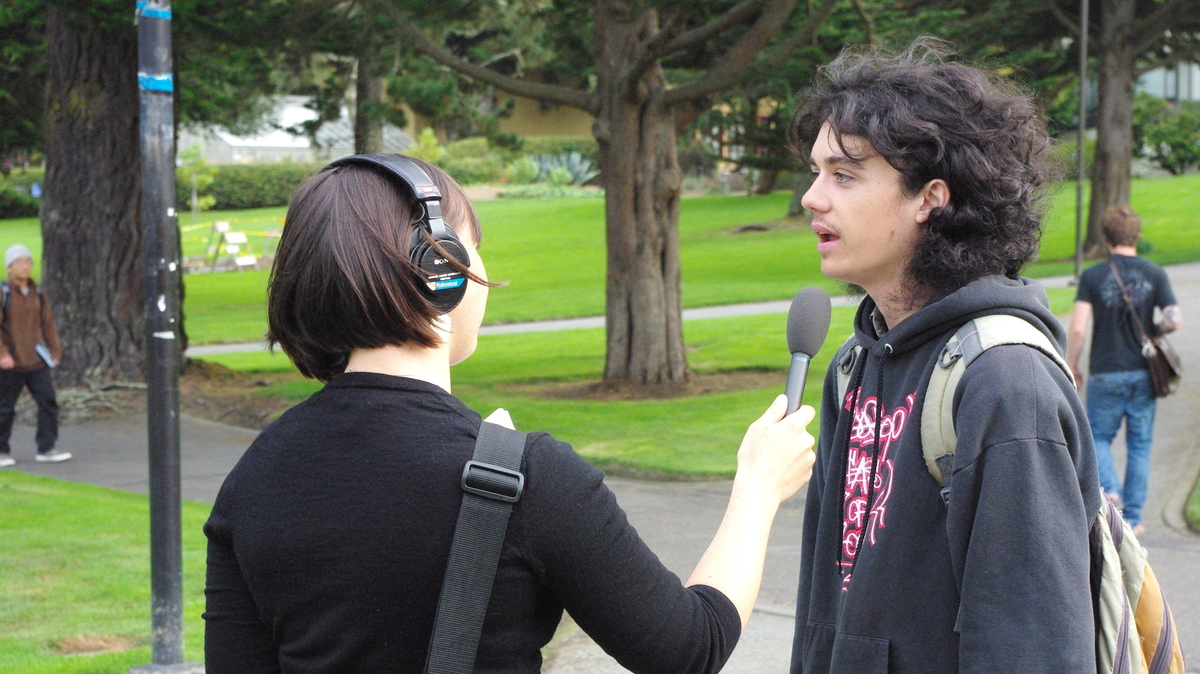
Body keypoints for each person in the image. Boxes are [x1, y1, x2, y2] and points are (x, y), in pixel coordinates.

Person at [203, 154, 817, 673]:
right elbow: (690, 647)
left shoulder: (254, 479)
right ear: (441, 269)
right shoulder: (532, 477)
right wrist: (758, 489)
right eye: (474, 249)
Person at [788, 39, 1102, 672]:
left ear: (930, 197)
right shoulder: (852, 366)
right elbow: (824, 612)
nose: (812, 198)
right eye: (817, 172)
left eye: (844, 175)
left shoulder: (1006, 383)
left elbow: (1033, 649)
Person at [1067, 204, 1182, 535]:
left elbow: (1078, 328)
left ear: (1106, 238)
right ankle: (1133, 517)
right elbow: (1175, 319)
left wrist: (1072, 364)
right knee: (1140, 443)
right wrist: (1155, 330)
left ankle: (1111, 490)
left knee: (1097, 437)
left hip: (1105, 372)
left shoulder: (1092, 276)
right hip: (1145, 373)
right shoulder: (1154, 273)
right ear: (1137, 235)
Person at [0, 244, 67, 467]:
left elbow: (48, 324)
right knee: (5, 408)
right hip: (11, 363)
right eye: (19, 262)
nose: (25, 266)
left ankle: (46, 448)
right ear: (9, 267)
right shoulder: (4, 293)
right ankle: (1, 450)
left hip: (36, 360)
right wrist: (3, 354)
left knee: (48, 402)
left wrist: (55, 351)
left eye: (28, 261)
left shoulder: (38, 293)